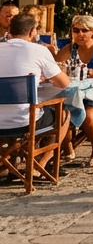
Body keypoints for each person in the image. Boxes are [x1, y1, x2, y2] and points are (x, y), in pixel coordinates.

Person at [1, 13, 70, 181]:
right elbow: (63, 83)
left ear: (9, 31)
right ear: (32, 32)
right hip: (25, 120)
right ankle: (38, 165)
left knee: (12, 110)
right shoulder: (39, 50)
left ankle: (11, 165)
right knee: (63, 114)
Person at [52, 14, 93, 167]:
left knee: (89, 116)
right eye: (76, 30)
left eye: (84, 31)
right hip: (75, 92)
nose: (79, 34)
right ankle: (67, 149)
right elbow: (55, 67)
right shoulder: (70, 48)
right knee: (60, 113)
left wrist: (89, 72)